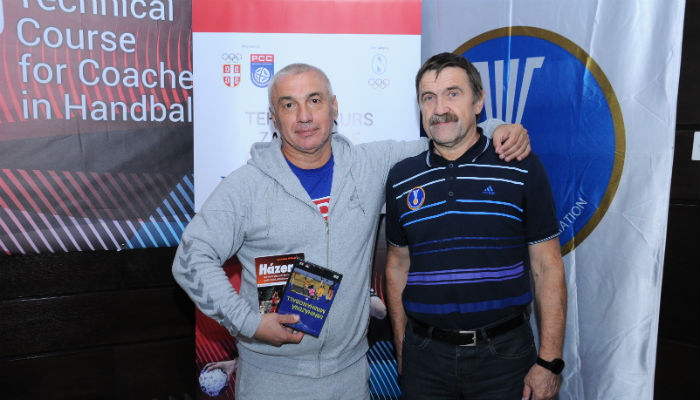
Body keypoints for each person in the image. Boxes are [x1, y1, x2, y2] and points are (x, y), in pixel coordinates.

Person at [172, 62, 531, 400]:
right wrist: (249, 323)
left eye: (315, 100)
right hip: (271, 378)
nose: (304, 116)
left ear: (334, 107)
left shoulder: (369, 165)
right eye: (288, 104)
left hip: (349, 377)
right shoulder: (245, 186)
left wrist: (498, 128)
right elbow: (191, 259)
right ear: (273, 117)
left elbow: (445, 137)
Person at [384, 52, 567, 400]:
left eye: (453, 94)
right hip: (425, 359)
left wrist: (550, 361)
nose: (440, 108)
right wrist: (402, 346)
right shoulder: (402, 177)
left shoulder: (521, 167)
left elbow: (547, 266)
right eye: (428, 97)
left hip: (506, 358)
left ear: (479, 101)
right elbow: (397, 266)